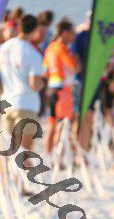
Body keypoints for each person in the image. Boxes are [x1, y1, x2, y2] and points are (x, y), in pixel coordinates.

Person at [0, 14, 44, 153]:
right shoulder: (32, 53)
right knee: (24, 154)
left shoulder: (3, 48)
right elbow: (34, 84)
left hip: (6, 102)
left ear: (19, 27)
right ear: (35, 30)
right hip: (26, 103)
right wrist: (43, 83)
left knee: (8, 153)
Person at [42, 18, 79, 154]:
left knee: (51, 124)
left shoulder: (50, 48)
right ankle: (58, 157)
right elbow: (75, 68)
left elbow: (44, 71)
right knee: (62, 125)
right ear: (64, 33)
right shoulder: (62, 48)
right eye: (72, 32)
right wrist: (77, 58)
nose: (74, 36)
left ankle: (48, 155)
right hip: (63, 90)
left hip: (51, 88)